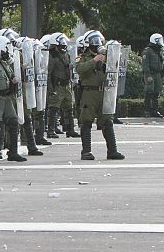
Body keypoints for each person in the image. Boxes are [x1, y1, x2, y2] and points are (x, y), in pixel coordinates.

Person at [76, 31, 125, 161]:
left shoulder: (105, 56)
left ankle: (112, 151)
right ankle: (86, 151)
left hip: (104, 92)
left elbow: (115, 66)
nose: (96, 45)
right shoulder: (83, 57)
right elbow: (79, 69)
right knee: (86, 122)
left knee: (107, 121)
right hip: (89, 93)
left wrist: (108, 58)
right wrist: (94, 61)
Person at [0, 36, 27, 163]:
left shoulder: (4, 64)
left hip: (6, 97)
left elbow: (10, 76)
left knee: (14, 121)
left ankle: (13, 152)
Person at [47, 33, 81, 137]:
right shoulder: (52, 57)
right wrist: (51, 89)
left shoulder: (66, 54)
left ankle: (70, 129)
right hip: (57, 85)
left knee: (69, 108)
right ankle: (51, 130)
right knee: (54, 108)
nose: (64, 45)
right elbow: (48, 74)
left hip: (67, 85)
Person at [142, 33, 164, 118]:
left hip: (157, 74)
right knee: (149, 92)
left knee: (156, 92)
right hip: (150, 73)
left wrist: (162, 75)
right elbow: (145, 64)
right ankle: (146, 110)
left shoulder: (157, 51)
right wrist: (148, 75)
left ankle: (154, 110)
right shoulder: (147, 51)